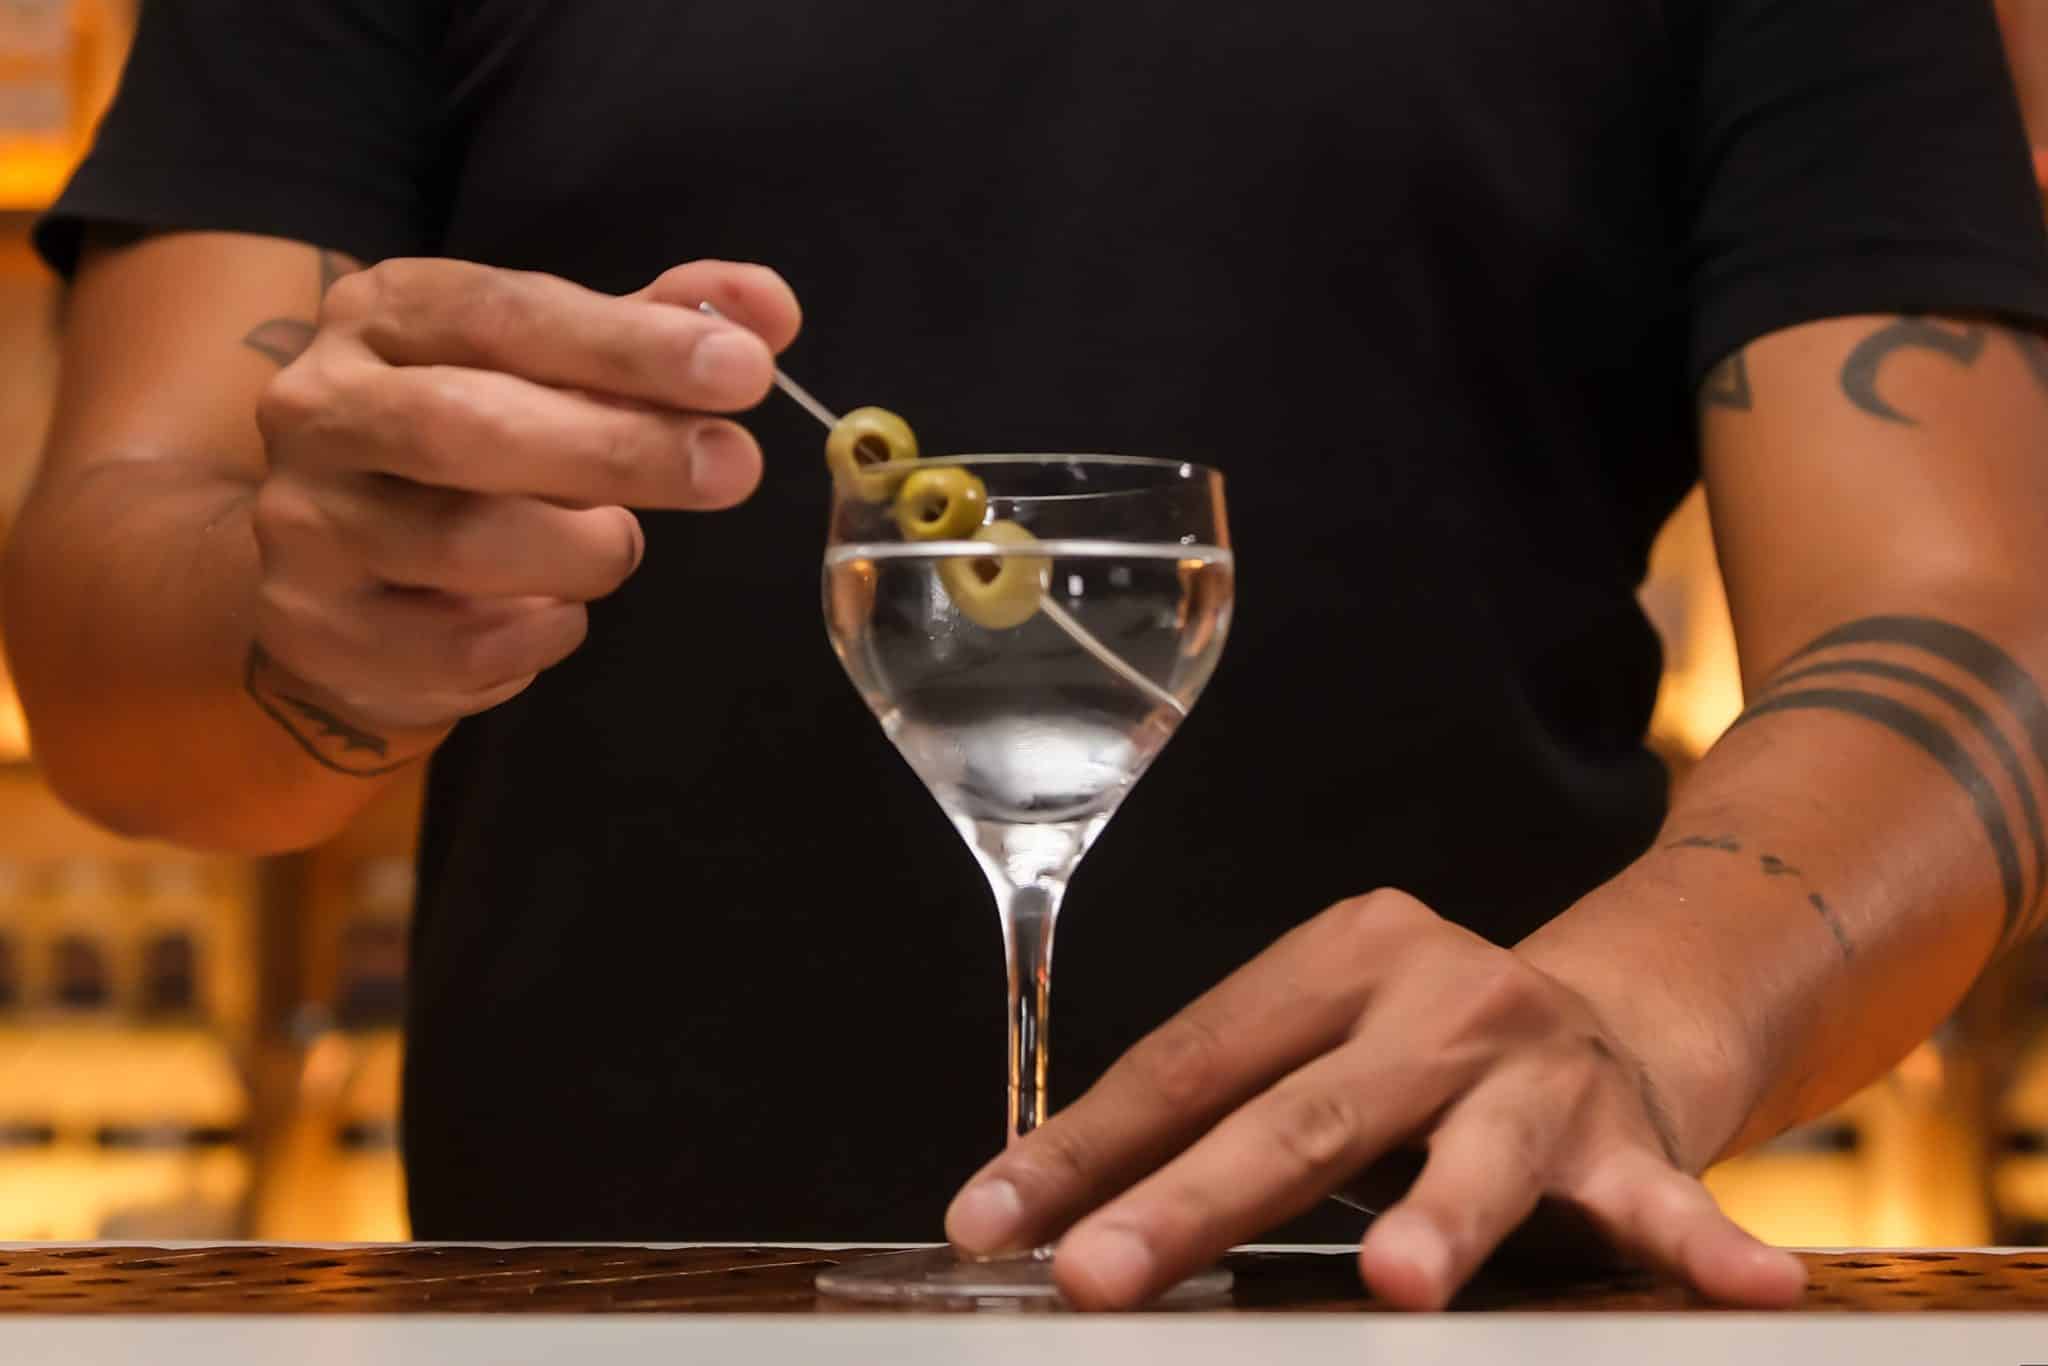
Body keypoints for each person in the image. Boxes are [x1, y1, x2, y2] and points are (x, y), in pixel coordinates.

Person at [6, 0, 2048, 1312]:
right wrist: (306, 625)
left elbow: (1970, 622)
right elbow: (114, 655)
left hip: (1446, 1291)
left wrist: (1634, 1012)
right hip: (604, 1306)